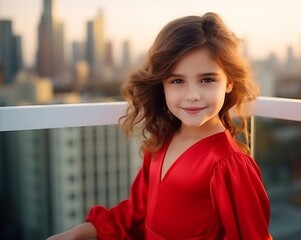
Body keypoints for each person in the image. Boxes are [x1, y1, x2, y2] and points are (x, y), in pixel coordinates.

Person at [48, 12, 272, 240]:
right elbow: (136, 214)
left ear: (229, 82)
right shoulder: (161, 141)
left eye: (207, 80)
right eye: (177, 81)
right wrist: (81, 232)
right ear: (162, 85)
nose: (192, 95)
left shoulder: (228, 164)